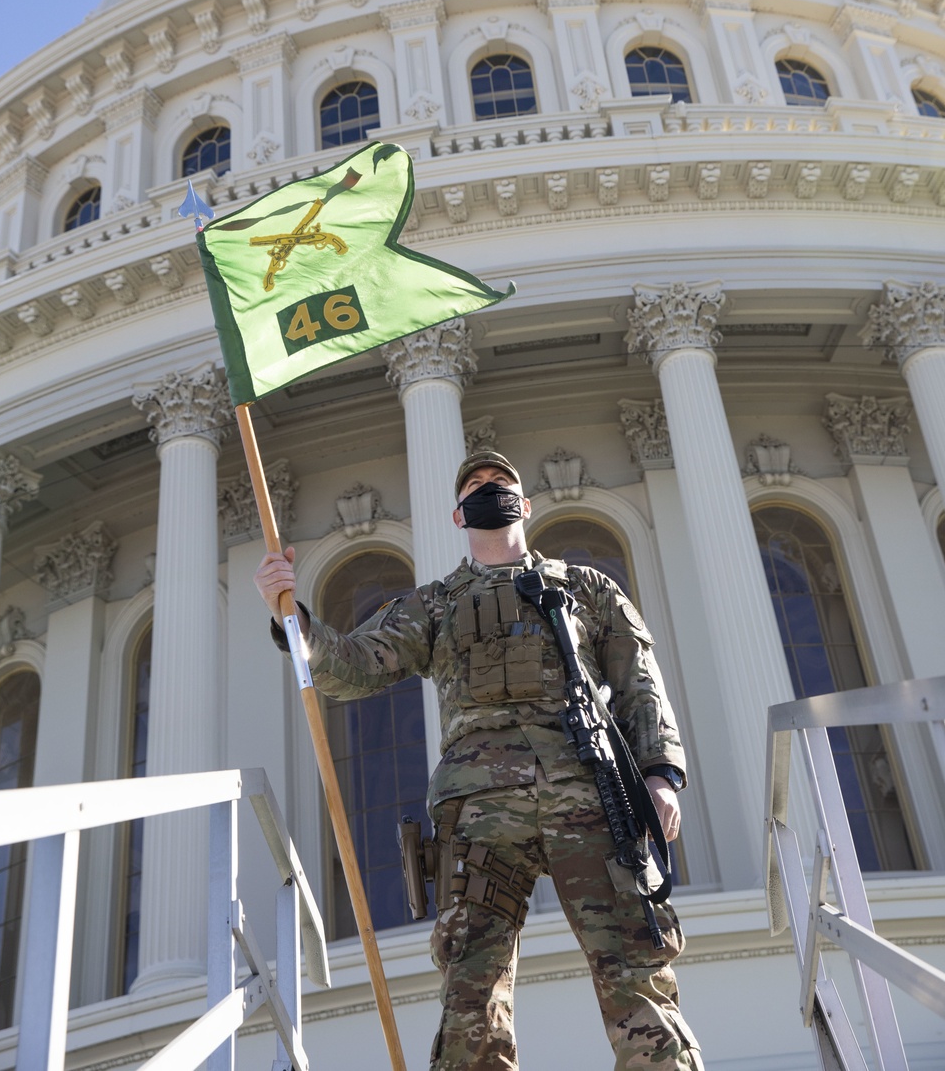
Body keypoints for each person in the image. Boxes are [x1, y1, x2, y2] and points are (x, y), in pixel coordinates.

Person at [255, 450, 703, 1071]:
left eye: (502, 482)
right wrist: (293, 620)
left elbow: (640, 685)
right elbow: (356, 663)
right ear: (459, 513)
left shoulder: (586, 589)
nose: (490, 489)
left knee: (635, 970)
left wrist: (661, 777)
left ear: (523, 502)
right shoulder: (434, 605)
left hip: (586, 793)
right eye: (476, 485)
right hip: (479, 813)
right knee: (472, 992)